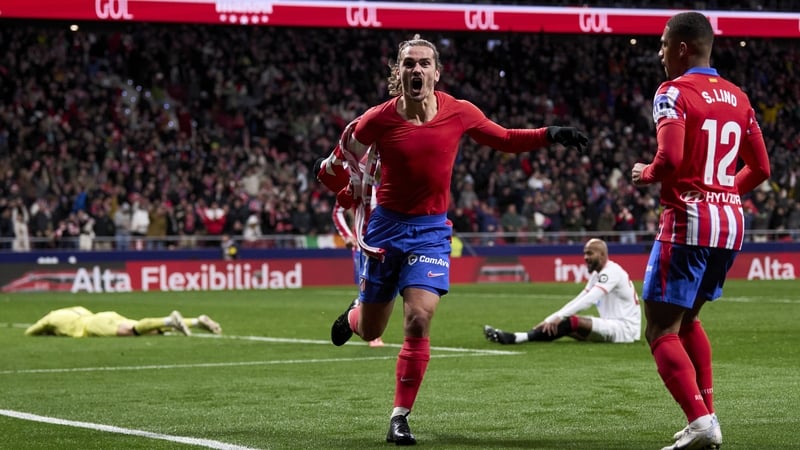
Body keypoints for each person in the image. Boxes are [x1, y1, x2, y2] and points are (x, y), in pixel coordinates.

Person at [317, 35, 588, 445]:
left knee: (419, 317)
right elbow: (341, 164)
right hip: (385, 230)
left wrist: (550, 133)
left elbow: (504, 138)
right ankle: (354, 314)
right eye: (409, 63)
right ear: (399, 72)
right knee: (371, 325)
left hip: (429, 233)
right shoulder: (377, 119)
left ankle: (399, 416)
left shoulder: (458, 111)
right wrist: (343, 187)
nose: (417, 70)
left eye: (424, 63)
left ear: (436, 72)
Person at [631, 12, 770, 450]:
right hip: (731, 222)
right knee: (689, 318)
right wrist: (724, 189)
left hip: (689, 219)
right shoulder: (739, 97)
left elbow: (669, 159)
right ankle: (709, 416)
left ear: (682, 48)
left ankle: (699, 420)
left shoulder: (671, 92)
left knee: (659, 329)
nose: (659, 53)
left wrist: (647, 173)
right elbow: (762, 168)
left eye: (662, 44)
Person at [483, 238, 640, 344]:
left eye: (589, 253)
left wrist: (559, 316)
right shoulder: (597, 275)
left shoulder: (612, 272)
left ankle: (515, 338)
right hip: (612, 325)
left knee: (570, 322)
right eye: (584, 253)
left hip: (625, 330)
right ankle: (519, 336)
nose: (585, 257)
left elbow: (590, 299)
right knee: (560, 327)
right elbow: (581, 297)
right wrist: (551, 318)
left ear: (603, 254)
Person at [331, 198, 385, 348]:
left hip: (387, 245)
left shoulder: (391, 183)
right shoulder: (360, 179)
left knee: (387, 289)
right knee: (371, 290)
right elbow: (337, 211)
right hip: (364, 247)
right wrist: (347, 235)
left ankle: (355, 308)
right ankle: (373, 335)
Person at [24, 306, 222, 337]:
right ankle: (196, 321)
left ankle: (170, 319)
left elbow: (31, 331)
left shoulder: (52, 316)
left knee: (132, 330)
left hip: (91, 325)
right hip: (104, 315)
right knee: (145, 328)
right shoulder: (77, 309)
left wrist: (46, 330)